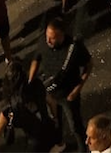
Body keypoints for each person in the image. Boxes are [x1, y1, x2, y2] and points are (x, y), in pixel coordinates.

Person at [28, 17, 91, 151]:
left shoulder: (74, 48)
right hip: (50, 94)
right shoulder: (44, 41)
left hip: (68, 94)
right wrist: (31, 80)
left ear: (62, 35)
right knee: (57, 122)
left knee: (75, 126)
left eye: (52, 38)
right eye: (47, 36)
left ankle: (83, 149)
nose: (48, 41)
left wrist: (77, 90)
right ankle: (60, 143)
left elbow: (88, 65)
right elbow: (36, 58)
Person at [0, 59, 48, 153]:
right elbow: (51, 102)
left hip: (34, 137)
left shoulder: (9, 107)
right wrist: (55, 119)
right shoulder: (37, 85)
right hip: (46, 126)